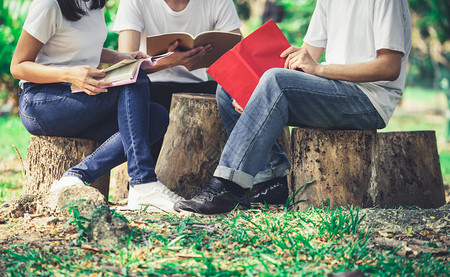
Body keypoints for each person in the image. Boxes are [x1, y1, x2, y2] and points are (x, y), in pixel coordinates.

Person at [174, 0, 412, 215]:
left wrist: (319, 69)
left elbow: (389, 67)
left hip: (368, 100)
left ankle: (228, 187)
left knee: (276, 80)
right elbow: (305, 55)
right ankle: (272, 180)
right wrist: (250, 90)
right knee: (229, 87)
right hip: (332, 89)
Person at [10, 0, 184, 213]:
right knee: (135, 80)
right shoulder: (50, 5)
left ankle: (76, 176)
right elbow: (17, 66)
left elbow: (79, 45)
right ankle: (143, 181)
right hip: (41, 102)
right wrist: (68, 73)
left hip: (78, 97)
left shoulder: (95, 4)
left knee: (156, 116)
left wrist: (120, 57)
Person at [112, 0, 242, 162]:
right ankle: (147, 177)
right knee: (140, 94)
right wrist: (170, 61)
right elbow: (125, 68)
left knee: (233, 97)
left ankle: (239, 176)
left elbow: (238, 54)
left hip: (199, 87)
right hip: (150, 85)